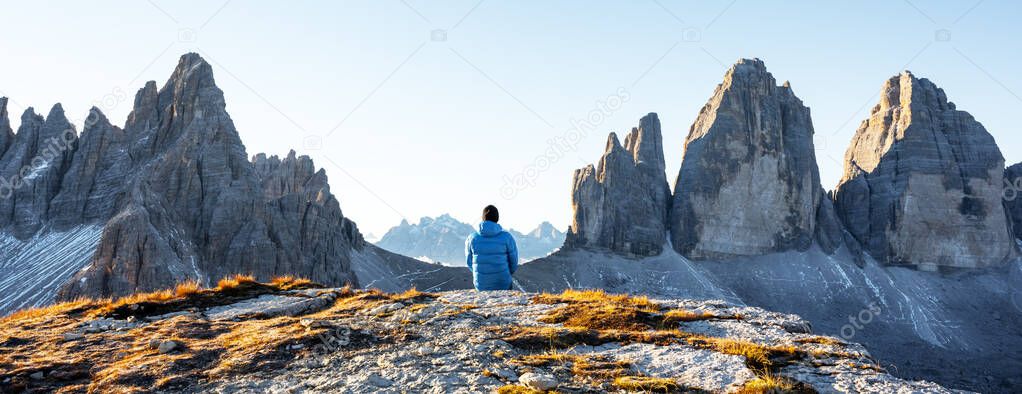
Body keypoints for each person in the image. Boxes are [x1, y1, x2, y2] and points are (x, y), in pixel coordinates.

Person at [465, 205, 519, 291]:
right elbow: (514, 262)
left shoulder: (471, 238)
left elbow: (469, 262)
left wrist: (481, 275)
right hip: (503, 284)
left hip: (481, 285)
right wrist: (507, 273)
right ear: (497, 218)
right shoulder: (507, 237)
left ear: (483, 218)